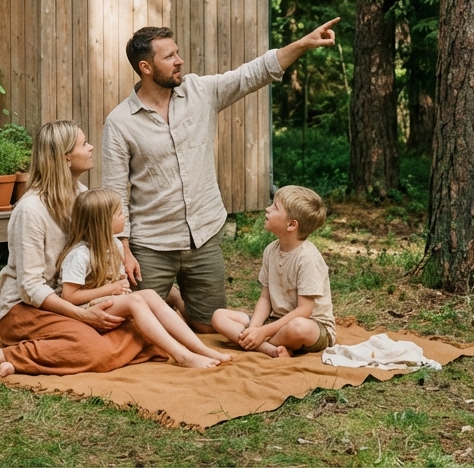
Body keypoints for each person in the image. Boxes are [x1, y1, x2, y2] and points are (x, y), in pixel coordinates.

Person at [100, 18, 340, 333]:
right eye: (169, 56)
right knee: (137, 331)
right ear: (145, 67)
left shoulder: (200, 91)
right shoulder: (119, 123)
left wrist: (303, 43)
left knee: (207, 327)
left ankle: (175, 302)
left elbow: (253, 73)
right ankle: (167, 298)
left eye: (177, 52)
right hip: (152, 245)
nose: (179, 61)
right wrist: (124, 250)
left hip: (204, 235)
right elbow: (115, 194)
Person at [0, 120, 166, 377]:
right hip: (25, 309)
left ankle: (64, 347)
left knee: (148, 321)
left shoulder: (81, 195)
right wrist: (82, 316)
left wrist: (119, 259)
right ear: (65, 158)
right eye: (84, 143)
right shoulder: (31, 210)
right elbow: (30, 288)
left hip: (76, 299)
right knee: (96, 350)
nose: (91, 147)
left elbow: (97, 244)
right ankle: (2, 355)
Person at [55, 188, 231, 368]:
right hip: (86, 310)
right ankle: (182, 355)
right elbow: (69, 297)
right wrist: (111, 289)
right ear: (104, 222)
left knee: (150, 295)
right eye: (119, 213)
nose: (124, 216)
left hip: (107, 302)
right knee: (135, 302)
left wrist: (116, 286)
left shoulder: (114, 244)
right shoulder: (79, 255)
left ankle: (200, 348)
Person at [211, 185, 335, 358]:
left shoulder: (308, 258)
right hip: (276, 321)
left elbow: (304, 311)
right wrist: (255, 327)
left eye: (275, 207)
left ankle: (257, 342)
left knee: (298, 327)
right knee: (219, 316)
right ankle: (269, 349)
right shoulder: (271, 250)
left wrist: (263, 332)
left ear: (292, 225)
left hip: (312, 326)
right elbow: (265, 297)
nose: (267, 209)